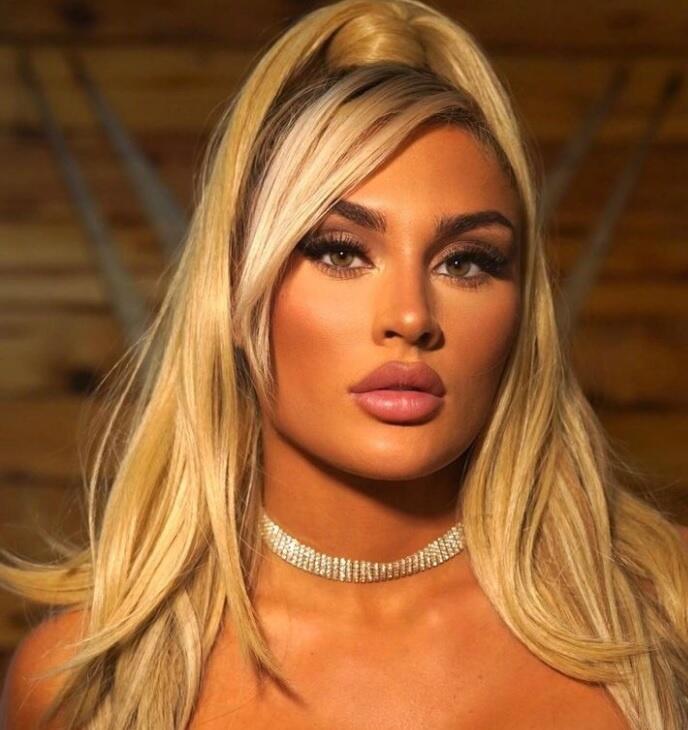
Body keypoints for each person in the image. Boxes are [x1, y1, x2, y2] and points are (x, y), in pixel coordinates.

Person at [1, 0, 687, 727]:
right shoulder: (84, 682)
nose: (411, 317)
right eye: (340, 252)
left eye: (466, 262)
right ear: (235, 290)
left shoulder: (665, 611)